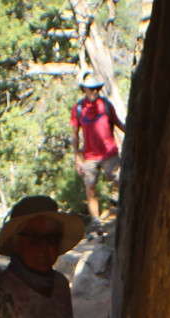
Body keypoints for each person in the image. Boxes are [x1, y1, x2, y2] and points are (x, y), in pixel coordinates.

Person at [70, 71, 125, 231]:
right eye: (90, 88)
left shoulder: (106, 105)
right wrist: (77, 159)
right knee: (90, 187)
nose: (94, 91)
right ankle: (95, 221)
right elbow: (74, 134)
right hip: (90, 156)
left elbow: (119, 124)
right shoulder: (79, 108)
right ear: (84, 89)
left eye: (96, 88)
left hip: (109, 153)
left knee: (120, 181)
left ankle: (124, 211)